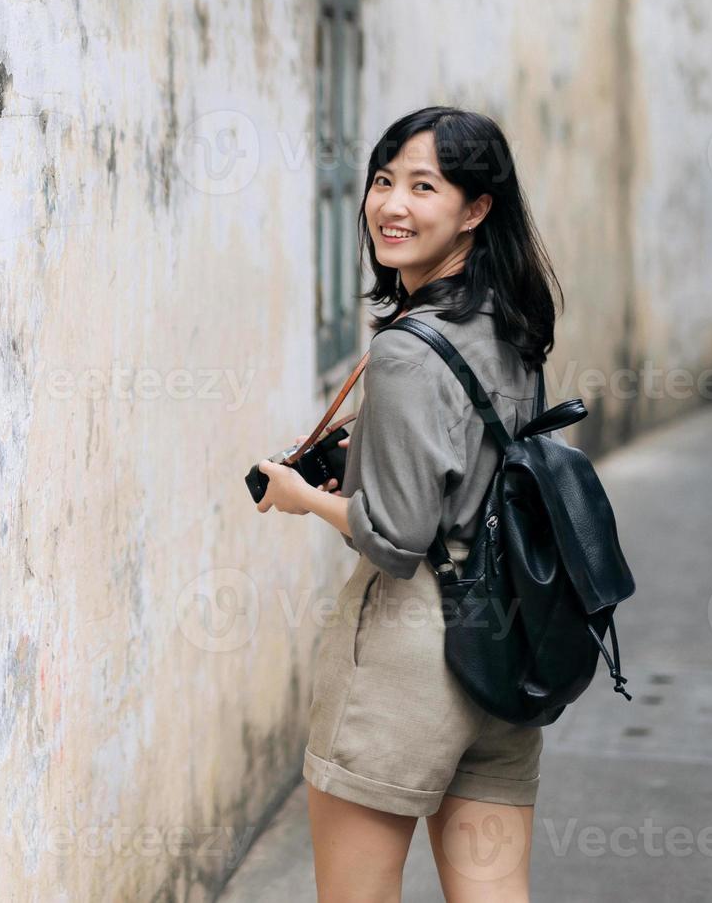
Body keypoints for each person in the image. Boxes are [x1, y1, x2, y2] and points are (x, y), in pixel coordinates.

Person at [254, 105, 563, 902]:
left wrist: (300, 497)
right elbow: (481, 464)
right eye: (384, 180)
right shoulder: (514, 323)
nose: (392, 204)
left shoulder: (404, 349)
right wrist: (375, 463)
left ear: (475, 208)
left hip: (409, 655)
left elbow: (396, 539)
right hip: (506, 642)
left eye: (424, 185)